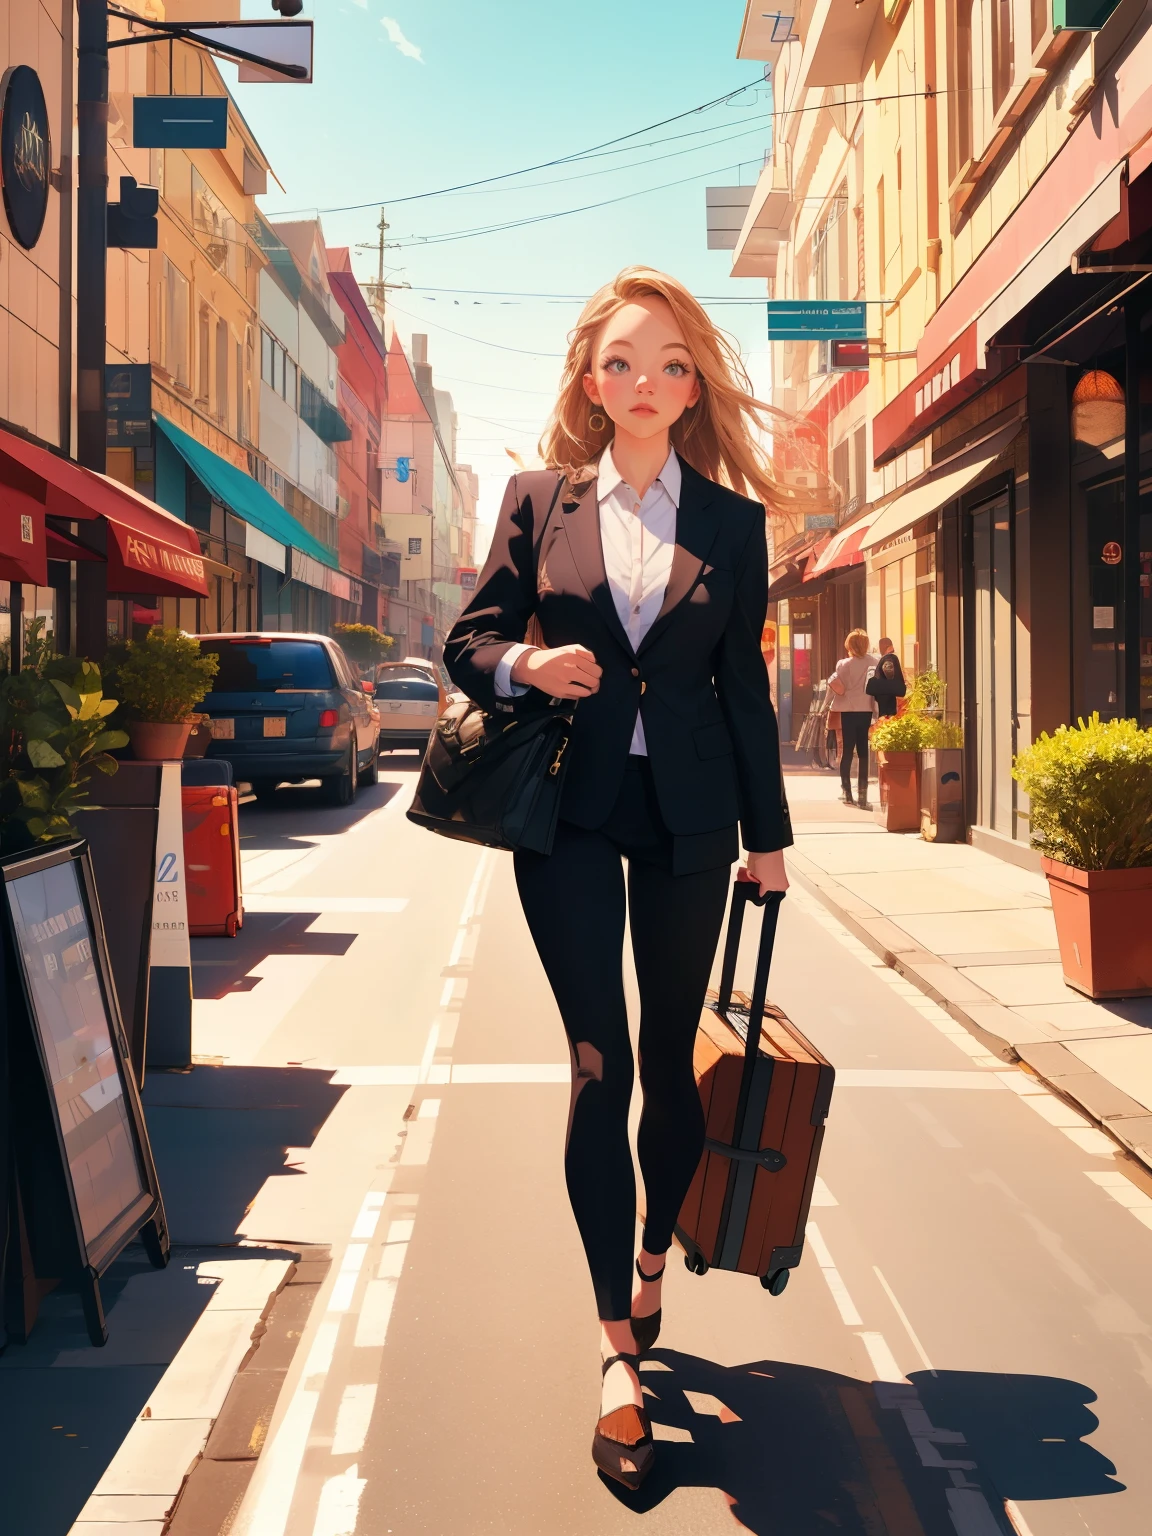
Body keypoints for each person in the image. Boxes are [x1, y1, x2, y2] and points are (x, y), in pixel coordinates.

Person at [445, 267, 797, 1491]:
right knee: (598, 1064)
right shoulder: (539, 500)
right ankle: (616, 1346)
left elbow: (744, 690)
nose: (644, 385)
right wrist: (528, 667)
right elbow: (469, 639)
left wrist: (773, 832)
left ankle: (657, 1249)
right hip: (575, 819)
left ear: (694, 383)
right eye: (621, 364)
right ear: (589, 382)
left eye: (669, 365)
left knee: (669, 1064)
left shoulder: (736, 523)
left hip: (695, 821)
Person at [826, 629, 877, 808]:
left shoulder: (843, 664)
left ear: (849, 646)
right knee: (864, 752)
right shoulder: (874, 662)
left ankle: (847, 792)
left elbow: (837, 685)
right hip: (866, 710)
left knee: (847, 750)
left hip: (847, 710)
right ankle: (862, 794)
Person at [867, 637, 906, 718]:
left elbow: (888, 670)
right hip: (890, 700)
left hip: (884, 702)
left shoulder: (888, 658)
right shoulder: (891, 657)